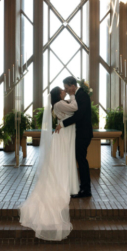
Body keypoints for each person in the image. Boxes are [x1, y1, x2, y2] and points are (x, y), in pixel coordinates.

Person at [19, 87, 79, 241]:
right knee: (59, 162)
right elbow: (75, 108)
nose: (65, 91)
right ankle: (60, 184)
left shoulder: (59, 103)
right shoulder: (60, 104)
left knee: (59, 163)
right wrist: (73, 95)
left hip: (63, 134)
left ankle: (62, 181)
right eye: (62, 91)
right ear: (58, 94)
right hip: (61, 136)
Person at [55, 76, 93, 198]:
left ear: (72, 86)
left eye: (66, 88)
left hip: (83, 133)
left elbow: (79, 116)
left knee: (81, 160)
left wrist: (62, 124)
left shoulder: (82, 96)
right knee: (81, 159)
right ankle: (83, 187)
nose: (65, 91)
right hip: (81, 133)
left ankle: (86, 190)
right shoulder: (78, 95)